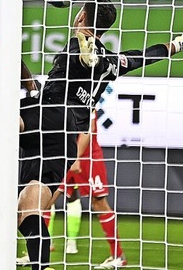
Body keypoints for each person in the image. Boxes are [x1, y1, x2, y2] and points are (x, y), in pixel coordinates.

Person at [0, 0, 183, 270]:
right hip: (66, 140)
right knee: (28, 212)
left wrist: (85, 56)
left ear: (81, 16)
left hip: (49, 114)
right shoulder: (112, 62)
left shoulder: (77, 48)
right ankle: (41, 267)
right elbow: (140, 57)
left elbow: (84, 58)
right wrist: (181, 43)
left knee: (18, 117)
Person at [56, 110, 127, 269]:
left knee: (99, 203)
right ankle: (37, 253)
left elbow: (88, 129)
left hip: (87, 157)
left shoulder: (86, 99)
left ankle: (118, 255)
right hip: (66, 155)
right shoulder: (59, 95)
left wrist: (75, 158)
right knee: (47, 198)